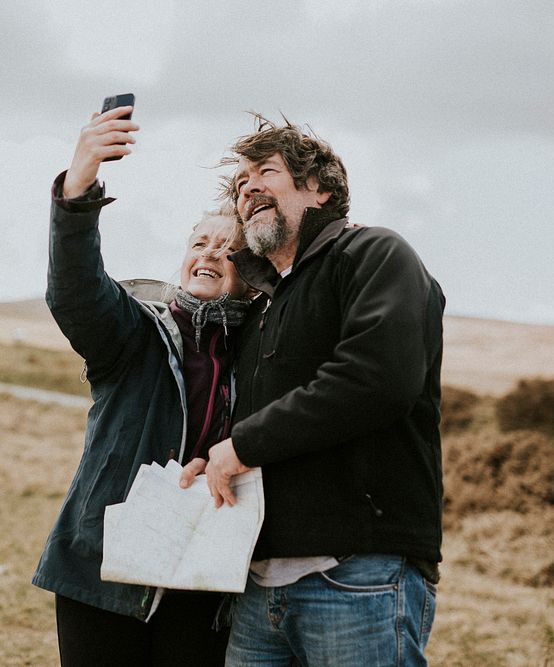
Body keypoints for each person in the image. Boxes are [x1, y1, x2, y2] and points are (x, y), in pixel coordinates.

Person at [180, 116, 445, 665]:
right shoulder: (262, 308)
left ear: (319, 189)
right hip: (257, 590)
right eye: (240, 182)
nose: (247, 186)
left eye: (266, 172)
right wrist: (213, 461)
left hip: (357, 576)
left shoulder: (372, 255)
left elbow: (376, 378)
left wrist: (243, 445)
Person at [32, 103, 255, 666]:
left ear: (253, 279)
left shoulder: (260, 355)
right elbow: (77, 291)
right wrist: (78, 190)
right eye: (199, 242)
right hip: (103, 572)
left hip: (204, 578)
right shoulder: (135, 334)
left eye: (228, 249)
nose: (209, 254)